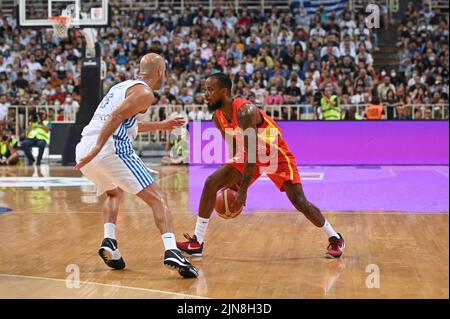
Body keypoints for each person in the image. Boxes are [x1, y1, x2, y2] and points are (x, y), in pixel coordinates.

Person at [177, 73, 345, 259]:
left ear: (224, 92)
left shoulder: (245, 111)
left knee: (299, 201)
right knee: (211, 182)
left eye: (210, 90)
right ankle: (197, 242)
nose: (205, 94)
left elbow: (252, 153)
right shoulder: (218, 117)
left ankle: (335, 238)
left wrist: (242, 190)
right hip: (248, 155)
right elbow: (237, 148)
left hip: (274, 154)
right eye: (204, 90)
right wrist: (232, 171)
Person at [74, 53, 199, 278]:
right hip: (107, 148)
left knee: (114, 193)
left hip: (84, 148)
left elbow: (125, 122)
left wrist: (161, 125)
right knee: (158, 199)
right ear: (160, 71)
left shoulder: (122, 87)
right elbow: (116, 116)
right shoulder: (145, 93)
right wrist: (98, 148)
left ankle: (109, 241)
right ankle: (171, 250)